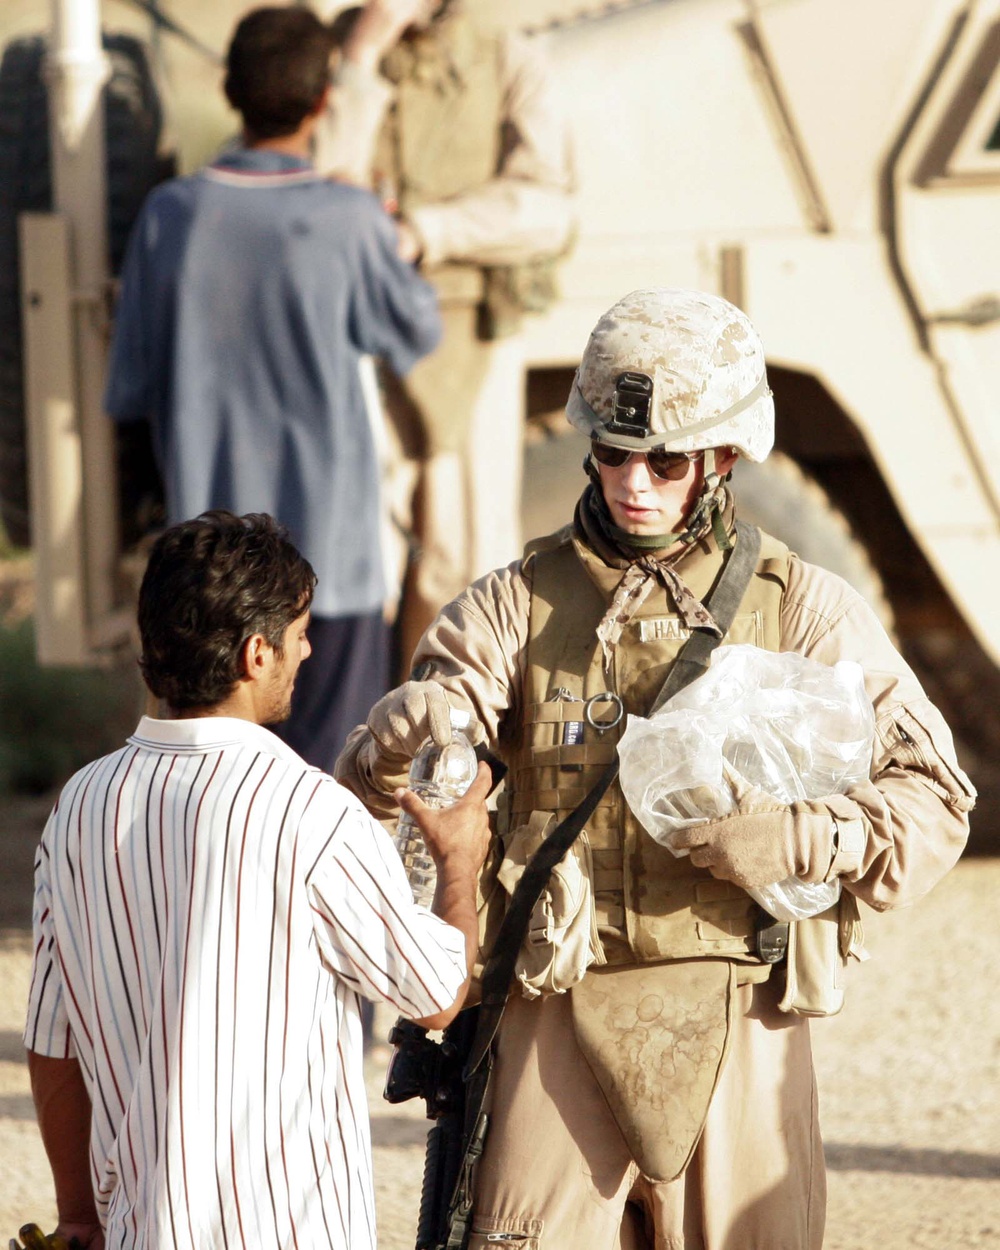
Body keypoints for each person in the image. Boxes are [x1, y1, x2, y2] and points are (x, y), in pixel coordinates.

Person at [334, 288, 976, 1249]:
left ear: (721, 459)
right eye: (613, 452)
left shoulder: (802, 610)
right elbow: (374, 800)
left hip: (741, 1018)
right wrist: (403, 734)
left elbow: (938, 803)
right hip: (553, 1016)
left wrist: (815, 836)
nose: (636, 483)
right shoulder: (511, 607)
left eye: (667, 460)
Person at [22, 510, 491, 1250]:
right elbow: (436, 996)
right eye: (299, 632)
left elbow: (53, 1046)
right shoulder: (309, 810)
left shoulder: (79, 808)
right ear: (254, 654)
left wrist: (79, 1215)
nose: (309, 649)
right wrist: (460, 860)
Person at [104, 6, 442, 773]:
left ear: (230, 93)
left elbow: (129, 389)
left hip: (205, 574)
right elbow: (417, 331)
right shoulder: (347, 218)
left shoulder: (169, 217)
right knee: (338, 784)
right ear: (324, 101)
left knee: (209, 786)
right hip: (335, 567)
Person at [317, 0, 575, 665]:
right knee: (345, 574)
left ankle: (443, 755)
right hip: (348, 341)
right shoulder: (338, 55)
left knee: (460, 569)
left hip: (468, 341)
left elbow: (548, 207)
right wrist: (363, 53)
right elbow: (312, 184)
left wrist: (427, 231)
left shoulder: (508, 58)